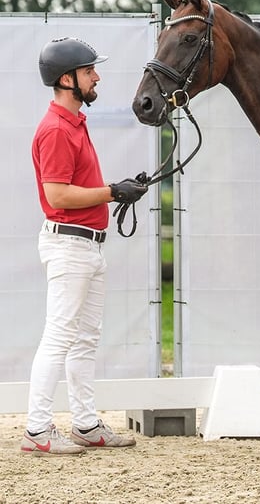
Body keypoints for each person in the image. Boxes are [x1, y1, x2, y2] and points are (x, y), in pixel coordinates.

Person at [21, 37, 148, 455]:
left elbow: (76, 188)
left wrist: (120, 190)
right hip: (71, 248)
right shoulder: (57, 129)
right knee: (60, 337)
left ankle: (86, 423)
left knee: (84, 339)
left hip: (88, 246)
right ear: (66, 79)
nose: (97, 77)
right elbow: (57, 196)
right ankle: (38, 431)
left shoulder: (74, 123)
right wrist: (113, 192)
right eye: (89, 71)